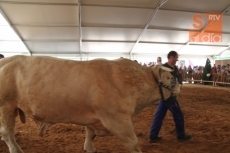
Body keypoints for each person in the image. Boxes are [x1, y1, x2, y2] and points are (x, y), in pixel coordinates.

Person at [148, 51, 191, 143]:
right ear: (171, 57)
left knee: (159, 116)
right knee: (178, 115)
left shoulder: (174, 68)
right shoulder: (163, 68)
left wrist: (180, 74)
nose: (177, 59)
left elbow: (179, 81)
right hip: (169, 96)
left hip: (164, 97)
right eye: (176, 57)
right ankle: (181, 135)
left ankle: (153, 136)